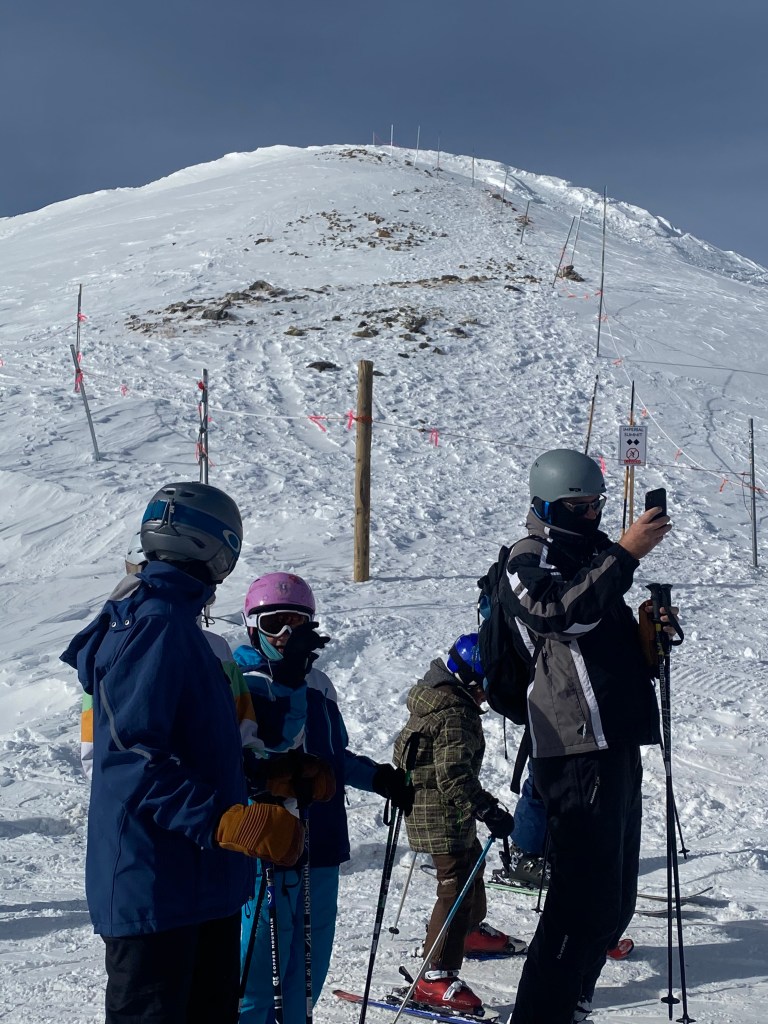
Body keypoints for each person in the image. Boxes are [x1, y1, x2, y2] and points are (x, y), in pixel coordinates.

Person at [61, 482, 309, 1024]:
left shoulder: (179, 626)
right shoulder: (155, 625)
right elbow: (130, 757)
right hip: (158, 888)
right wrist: (224, 820)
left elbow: (195, 747)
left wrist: (268, 774)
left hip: (199, 883)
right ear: (219, 549)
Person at [499, 449, 674, 1024]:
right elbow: (555, 613)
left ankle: (573, 1000)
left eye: (597, 504)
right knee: (580, 900)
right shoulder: (529, 556)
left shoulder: (592, 554)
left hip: (614, 736)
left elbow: (600, 648)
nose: (593, 515)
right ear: (547, 505)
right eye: (579, 507)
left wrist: (649, 638)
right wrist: (625, 554)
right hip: (573, 742)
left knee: (614, 898)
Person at [235, 571, 414, 1024]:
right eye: (274, 623)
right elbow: (262, 750)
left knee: (309, 967)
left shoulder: (318, 684)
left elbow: (331, 757)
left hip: (322, 841)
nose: (286, 634)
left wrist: (378, 778)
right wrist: (288, 678)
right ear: (252, 626)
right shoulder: (243, 680)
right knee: (259, 971)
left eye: (297, 623)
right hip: (270, 844)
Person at [393, 632, 526, 1014]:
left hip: (441, 809)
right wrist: (486, 809)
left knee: (471, 867)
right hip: (439, 812)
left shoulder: (436, 699)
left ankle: (468, 932)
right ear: (468, 679)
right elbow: (453, 776)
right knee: (454, 886)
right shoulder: (455, 714)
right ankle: (435, 975)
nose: (487, 695)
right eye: (485, 686)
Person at [80, 527, 260, 779]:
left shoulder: (217, 651)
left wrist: (253, 772)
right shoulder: (114, 649)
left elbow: (244, 732)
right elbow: (97, 755)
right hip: (163, 800)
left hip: (217, 798)